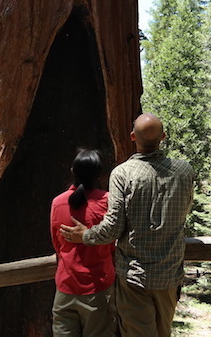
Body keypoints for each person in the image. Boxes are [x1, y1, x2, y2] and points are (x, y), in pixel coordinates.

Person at [60, 114, 195, 337]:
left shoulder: (123, 173)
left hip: (135, 277)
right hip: (169, 275)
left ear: (132, 137)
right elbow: (185, 211)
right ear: (163, 137)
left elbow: (112, 228)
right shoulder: (184, 171)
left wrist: (85, 235)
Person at [50, 149, 116, 337]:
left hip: (65, 285)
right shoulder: (107, 202)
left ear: (73, 170)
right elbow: (111, 242)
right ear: (99, 175)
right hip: (98, 286)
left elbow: (57, 243)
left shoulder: (57, 203)